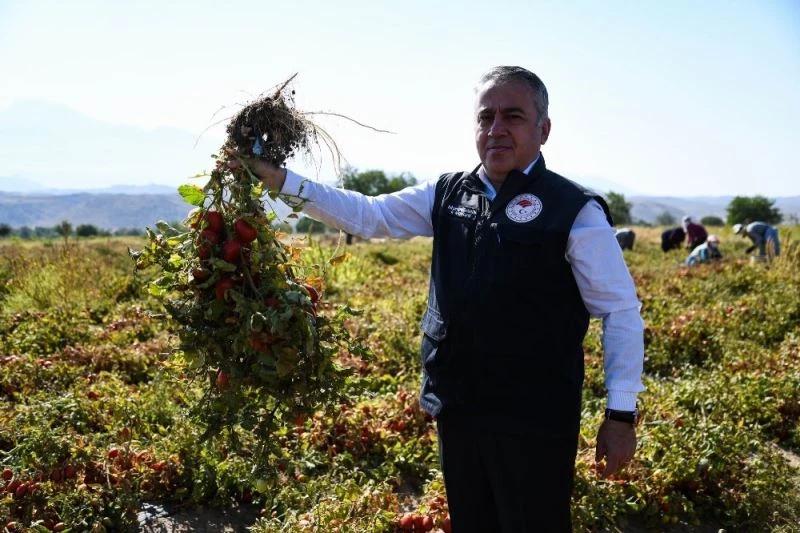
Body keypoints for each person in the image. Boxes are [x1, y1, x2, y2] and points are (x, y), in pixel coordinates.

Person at [236, 66, 645, 532]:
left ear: (543, 129)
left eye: (513, 116)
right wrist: (281, 180)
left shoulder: (573, 209)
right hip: (459, 408)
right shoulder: (448, 192)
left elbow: (620, 312)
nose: (496, 129)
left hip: (533, 417)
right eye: (485, 117)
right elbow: (368, 216)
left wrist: (620, 414)